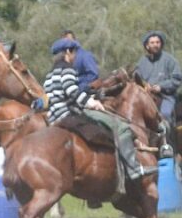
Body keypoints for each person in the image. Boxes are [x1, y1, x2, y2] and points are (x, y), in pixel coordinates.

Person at [46, 38, 153, 194]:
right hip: (69, 114)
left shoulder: (50, 75)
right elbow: (71, 91)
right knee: (121, 128)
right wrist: (92, 103)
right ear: (68, 52)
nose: (75, 56)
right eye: (74, 52)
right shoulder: (67, 69)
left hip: (53, 118)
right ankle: (134, 169)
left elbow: (49, 97)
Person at [133, 31, 181, 147]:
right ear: (147, 45)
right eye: (152, 42)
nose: (155, 45)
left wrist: (161, 87)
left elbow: (177, 79)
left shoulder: (170, 60)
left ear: (161, 44)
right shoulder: (142, 61)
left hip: (166, 96)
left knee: (165, 114)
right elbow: (136, 77)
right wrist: (144, 85)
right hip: (146, 96)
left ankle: (168, 145)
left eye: (158, 42)